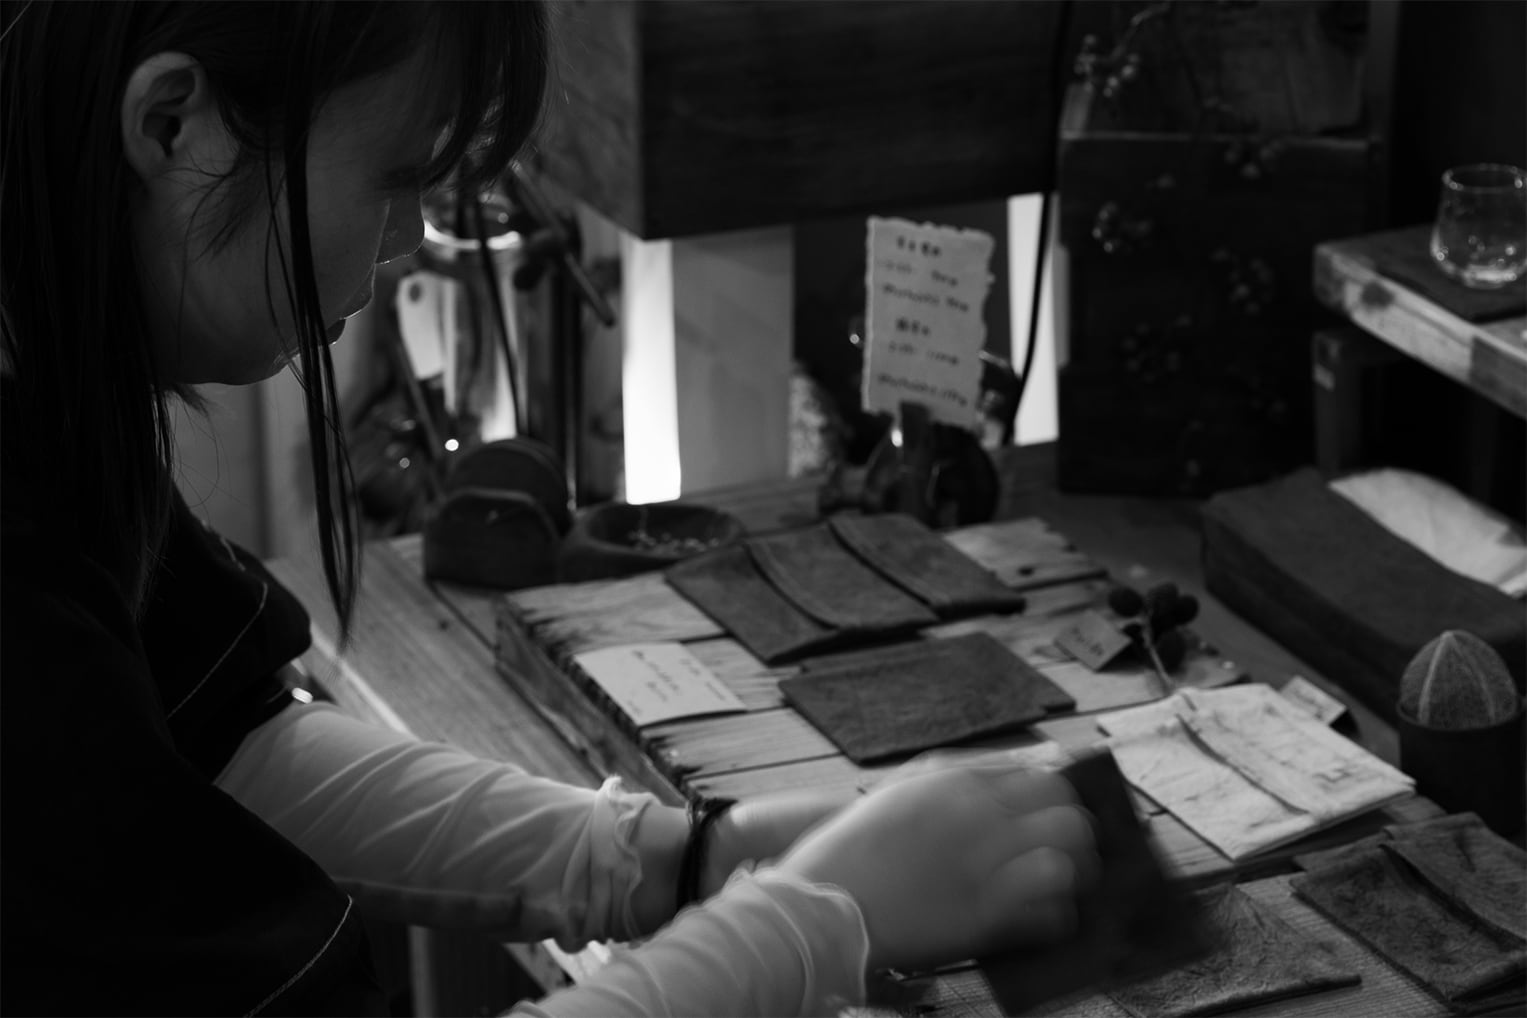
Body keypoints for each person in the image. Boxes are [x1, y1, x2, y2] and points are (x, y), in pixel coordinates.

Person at [0, 3, 1100, 1015]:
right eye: (396, 175)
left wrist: (676, 858)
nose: (410, 233)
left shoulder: (46, 385)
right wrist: (813, 924)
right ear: (172, 123)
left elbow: (222, 748)